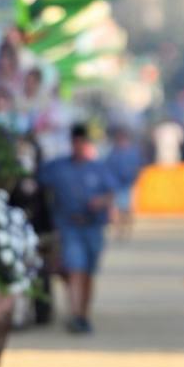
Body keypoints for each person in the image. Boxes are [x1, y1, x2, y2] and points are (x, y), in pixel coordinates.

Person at [38, 124, 117, 334]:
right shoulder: (57, 168)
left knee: (88, 273)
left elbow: (110, 193)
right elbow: (38, 182)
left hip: (92, 227)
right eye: (76, 142)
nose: (79, 146)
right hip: (69, 226)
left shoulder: (98, 168)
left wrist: (100, 202)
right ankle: (74, 315)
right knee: (75, 269)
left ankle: (83, 313)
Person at [105, 124, 143, 239]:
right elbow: (108, 167)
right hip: (116, 184)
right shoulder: (113, 152)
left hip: (129, 184)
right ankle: (119, 230)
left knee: (128, 209)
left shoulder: (133, 152)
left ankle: (127, 229)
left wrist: (135, 179)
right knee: (116, 208)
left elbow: (138, 166)